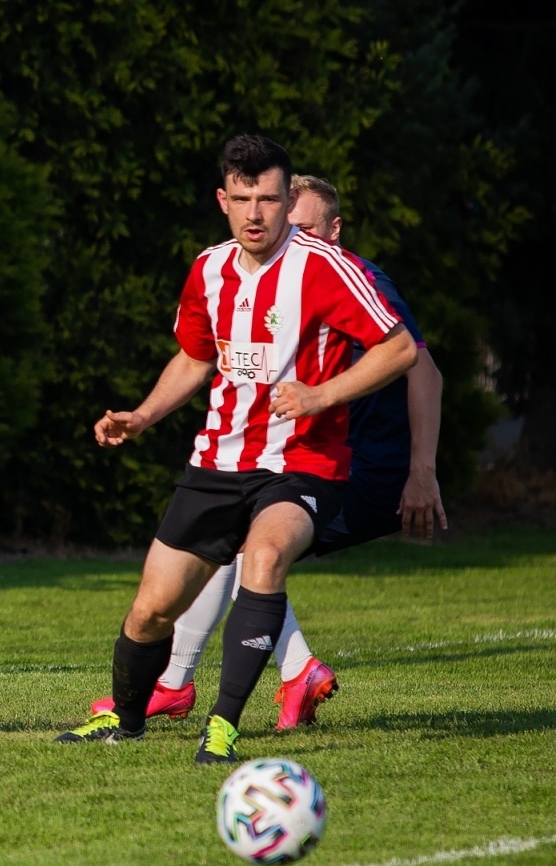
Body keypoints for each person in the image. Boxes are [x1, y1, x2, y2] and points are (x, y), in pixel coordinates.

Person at [55, 134, 417, 764]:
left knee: (267, 553)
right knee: (149, 613)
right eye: (243, 198)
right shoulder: (209, 269)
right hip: (218, 463)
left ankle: (222, 725)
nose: (256, 212)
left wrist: (321, 396)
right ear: (223, 200)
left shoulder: (325, 267)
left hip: (303, 462)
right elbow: (196, 358)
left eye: (270, 199)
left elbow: (400, 348)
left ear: (286, 200)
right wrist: (142, 415)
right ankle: (128, 721)